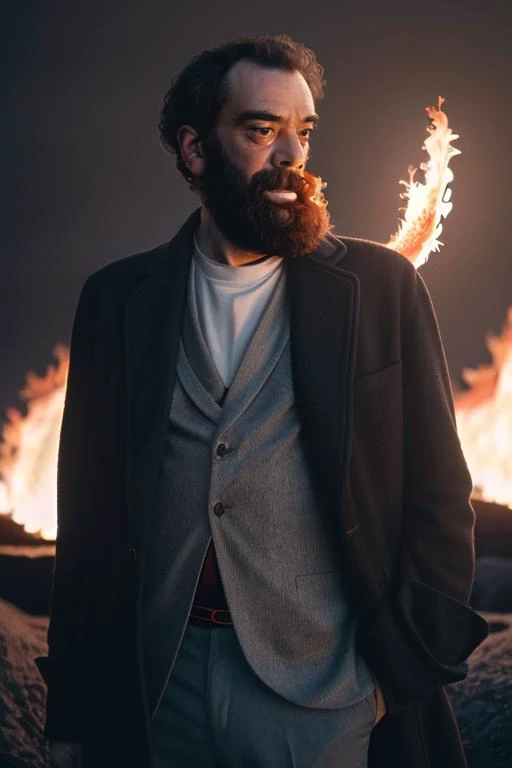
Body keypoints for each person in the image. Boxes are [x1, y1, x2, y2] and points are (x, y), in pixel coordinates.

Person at [37, 34, 488, 768]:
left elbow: (439, 495)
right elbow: (85, 519)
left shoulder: (380, 290)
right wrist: (74, 712)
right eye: (260, 131)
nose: (290, 156)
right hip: (158, 689)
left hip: (323, 693)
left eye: (302, 133)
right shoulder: (116, 301)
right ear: (193, 150)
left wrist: (391, 680)